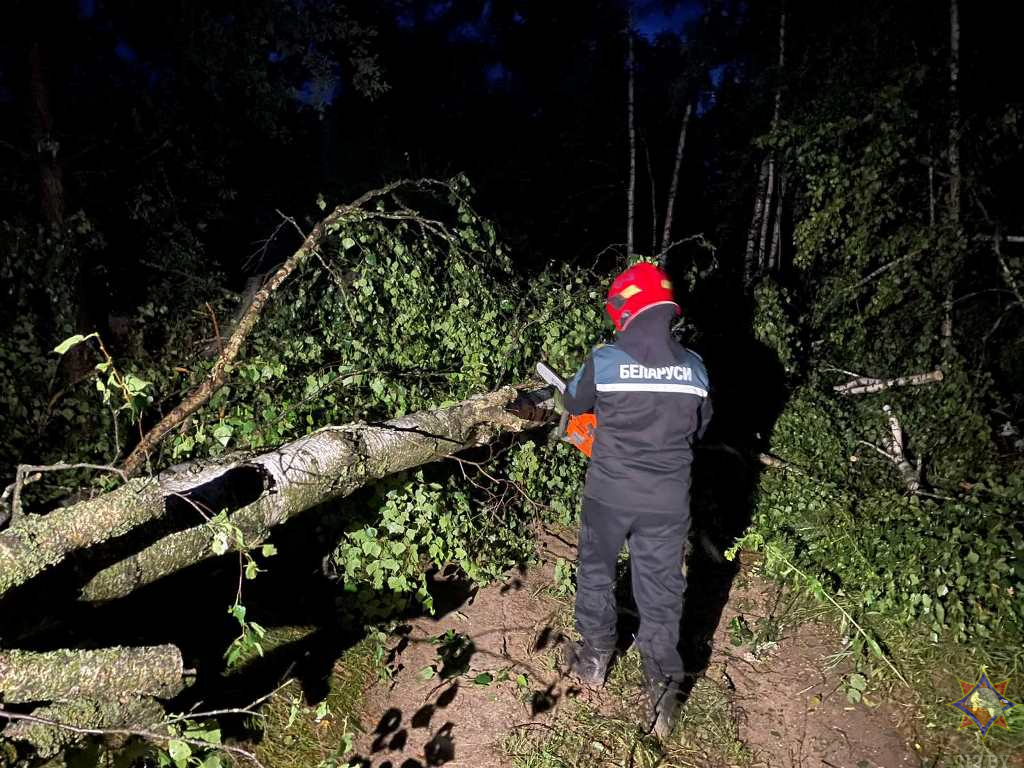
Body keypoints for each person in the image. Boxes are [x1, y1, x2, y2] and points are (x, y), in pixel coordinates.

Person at [561, 261, 712, 739]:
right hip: (668, 500)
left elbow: (572, 402)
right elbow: (700, 430)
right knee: (662, 589)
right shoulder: (696, 368)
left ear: (624, 309)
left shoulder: (605, 360)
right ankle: (663, 692)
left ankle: (594, 660)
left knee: (597, 572)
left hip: (609, 494)